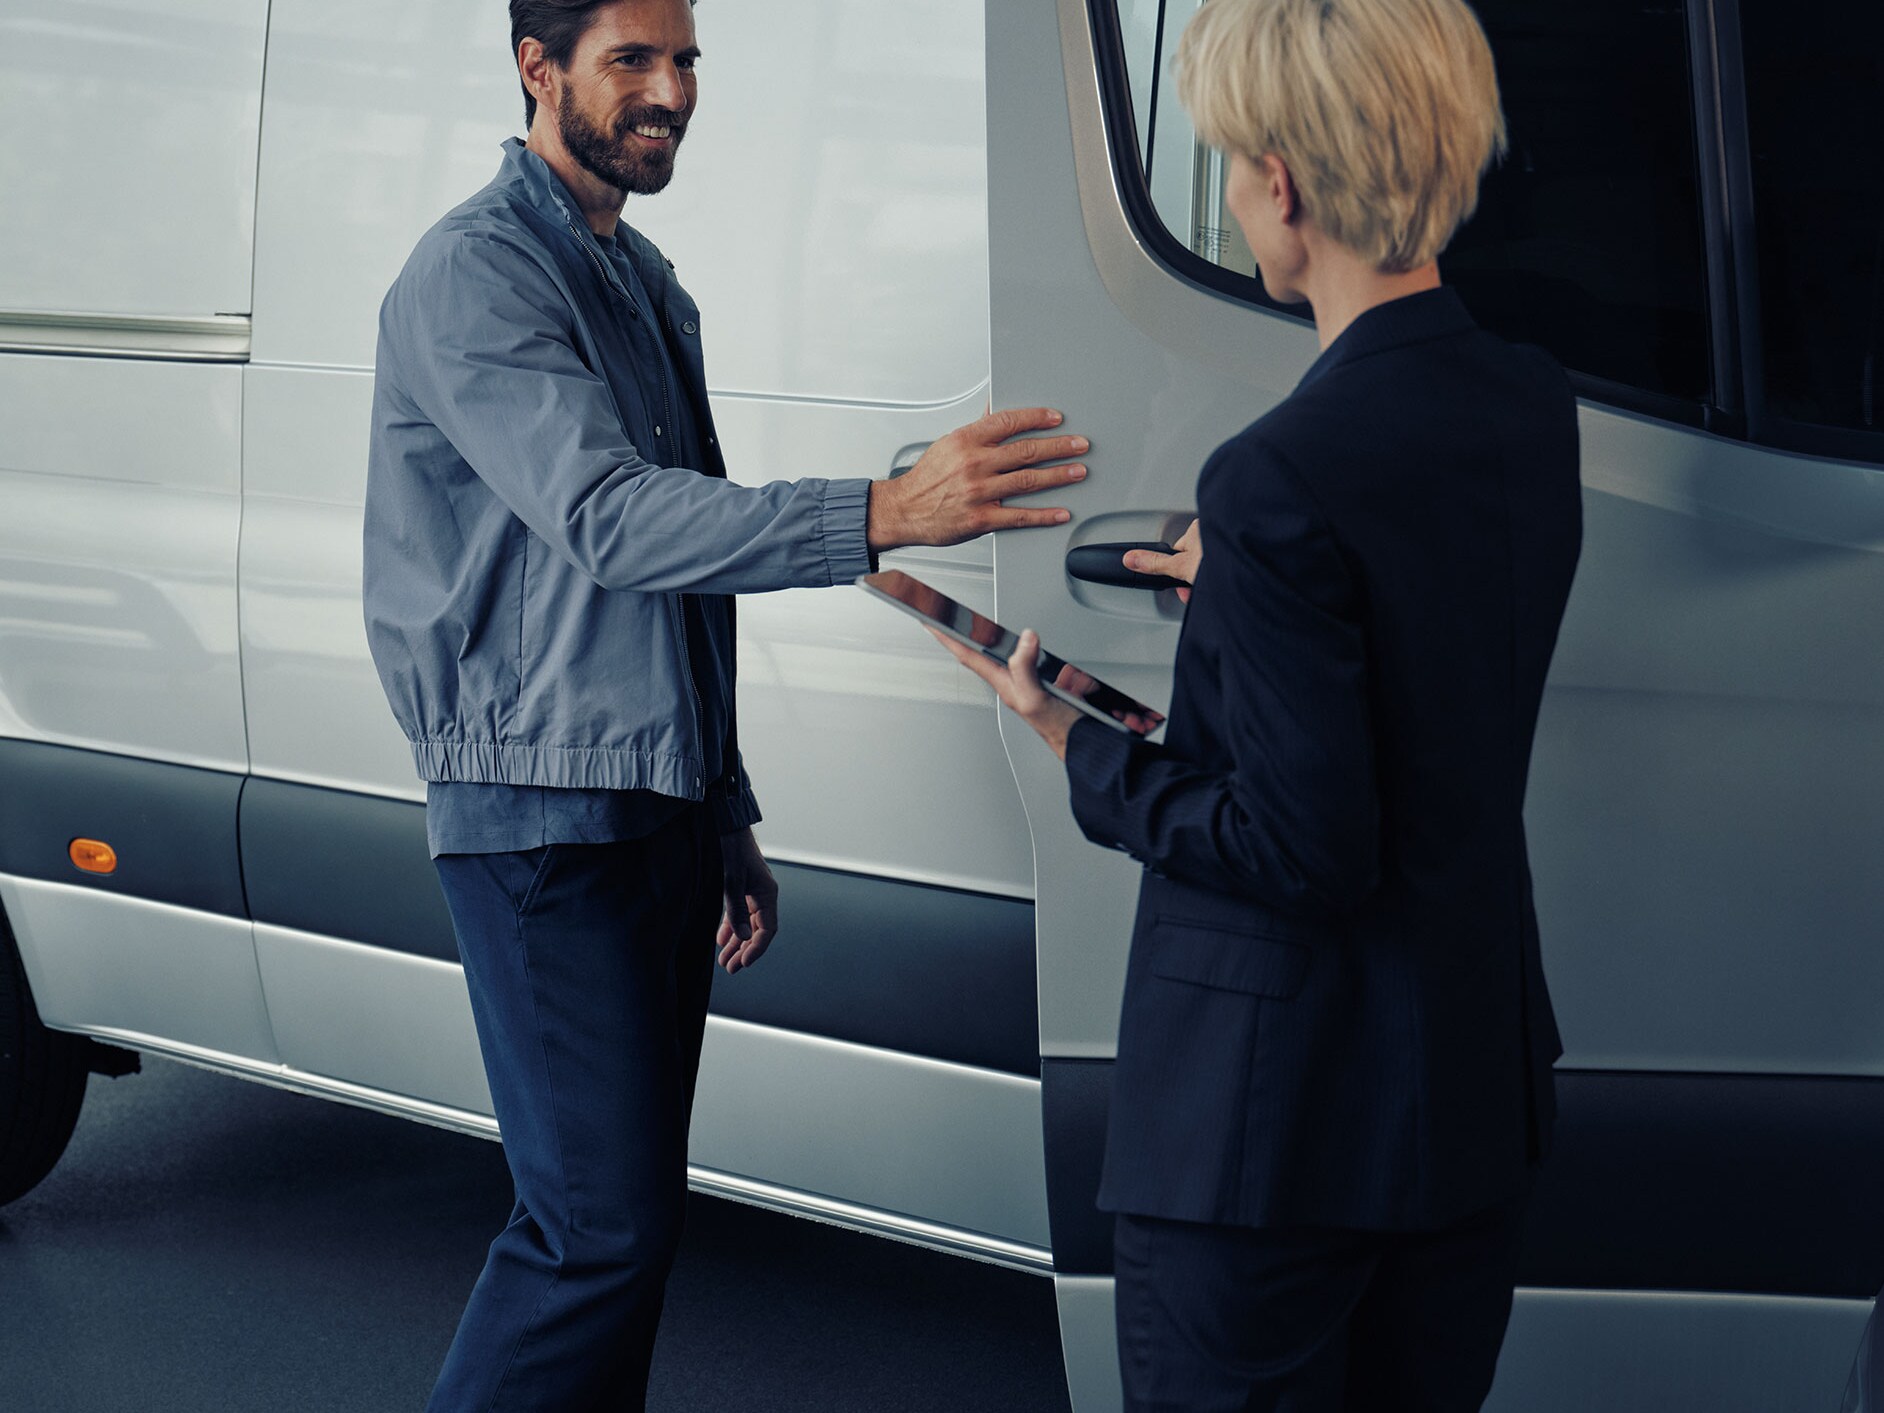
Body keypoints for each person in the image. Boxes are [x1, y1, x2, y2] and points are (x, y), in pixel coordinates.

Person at [360, 1, 1089, 1406]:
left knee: (628, 1234)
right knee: (593, 1233)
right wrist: (888, 508)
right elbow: (617, 525)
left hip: (653, 804)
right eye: (633, 58)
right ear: (538, 67)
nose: (672, 90)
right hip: (542, 821)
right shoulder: (474, 274)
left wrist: (723, 803)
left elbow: (680, 586)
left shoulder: (644, 282)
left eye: (685, 60)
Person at [935, 0, 1582, 1407]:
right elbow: (1424, 658)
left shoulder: (1276, 476)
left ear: (1281, 187)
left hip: (1270, 1141)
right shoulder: (1530, 409)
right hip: (1466, 1109)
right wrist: (1237, 606)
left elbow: (1305, 849)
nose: (1233, 192)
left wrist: (1074, 741)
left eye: (1230, 163)